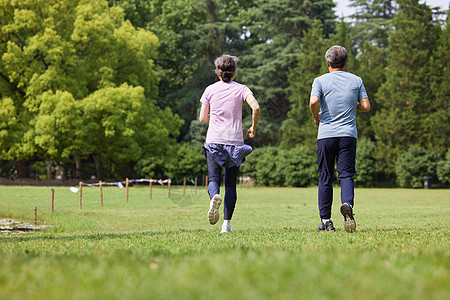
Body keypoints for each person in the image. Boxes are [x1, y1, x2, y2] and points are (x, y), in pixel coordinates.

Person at [309, 45, 371, 232]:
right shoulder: (356, 80)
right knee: (345, 175)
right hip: (348, 135)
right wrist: (352, 107)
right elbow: (366, 106)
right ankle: (348, 205)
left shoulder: (319, 80)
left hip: (326, 135)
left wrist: (316, 117)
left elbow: (313, 102)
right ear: (345, 62)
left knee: (325, 176)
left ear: (327, 62)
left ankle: (326, 221)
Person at [199, 54, 260, 233]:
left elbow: (203, 118)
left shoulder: (209, 90)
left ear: (217, 73)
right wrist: (253, 128)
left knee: (213, 179)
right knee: (231, 184)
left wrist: (217, 115)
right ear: (234, 72)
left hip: (214, 141)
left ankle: (213, 198)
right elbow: (255, 107)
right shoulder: (242, 89)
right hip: (234, 143)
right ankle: (226, 224)